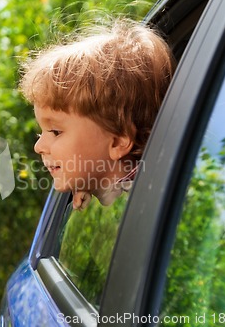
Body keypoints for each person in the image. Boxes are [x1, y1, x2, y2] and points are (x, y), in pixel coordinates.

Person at [19, 19, 175, 210]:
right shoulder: (141, 191)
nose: (38, 146)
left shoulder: (142, 205)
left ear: (118, 142)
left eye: (55, 132)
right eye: (40, 133)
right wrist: (89, 183)